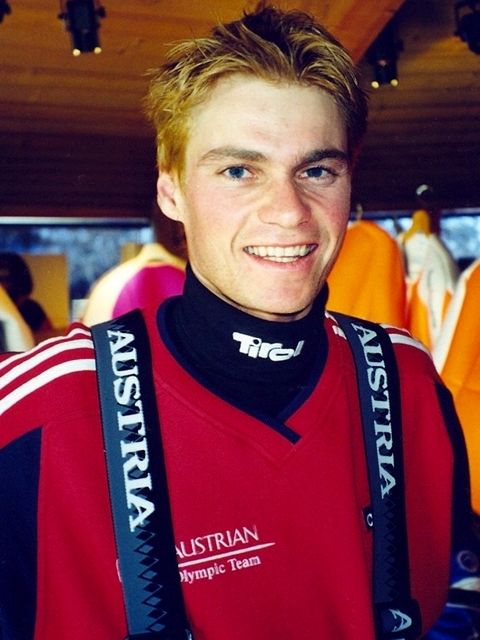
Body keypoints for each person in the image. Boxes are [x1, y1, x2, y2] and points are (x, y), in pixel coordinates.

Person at [0, 6, 473, 639]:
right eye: (238, 171)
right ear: (171, 191)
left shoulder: (408, 381)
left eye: (317, 170)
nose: (289, 211)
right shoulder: (41, 413)